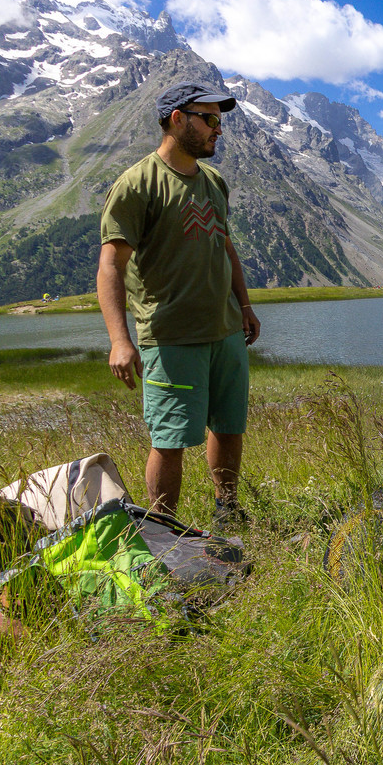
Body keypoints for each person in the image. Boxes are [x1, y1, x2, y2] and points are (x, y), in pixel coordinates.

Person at [98, 81, 261, 532]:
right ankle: (162, 532)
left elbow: (226, 249)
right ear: (176, 119)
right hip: (170, 336)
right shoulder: (136, 185)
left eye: (220, 121)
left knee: (228, 426)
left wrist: (244, 305)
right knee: (170, 439)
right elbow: (110, 264)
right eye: (209, 119)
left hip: (225, 330)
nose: (218, 130)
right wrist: (119, 340)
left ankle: (226, 509)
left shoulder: (214, 182)